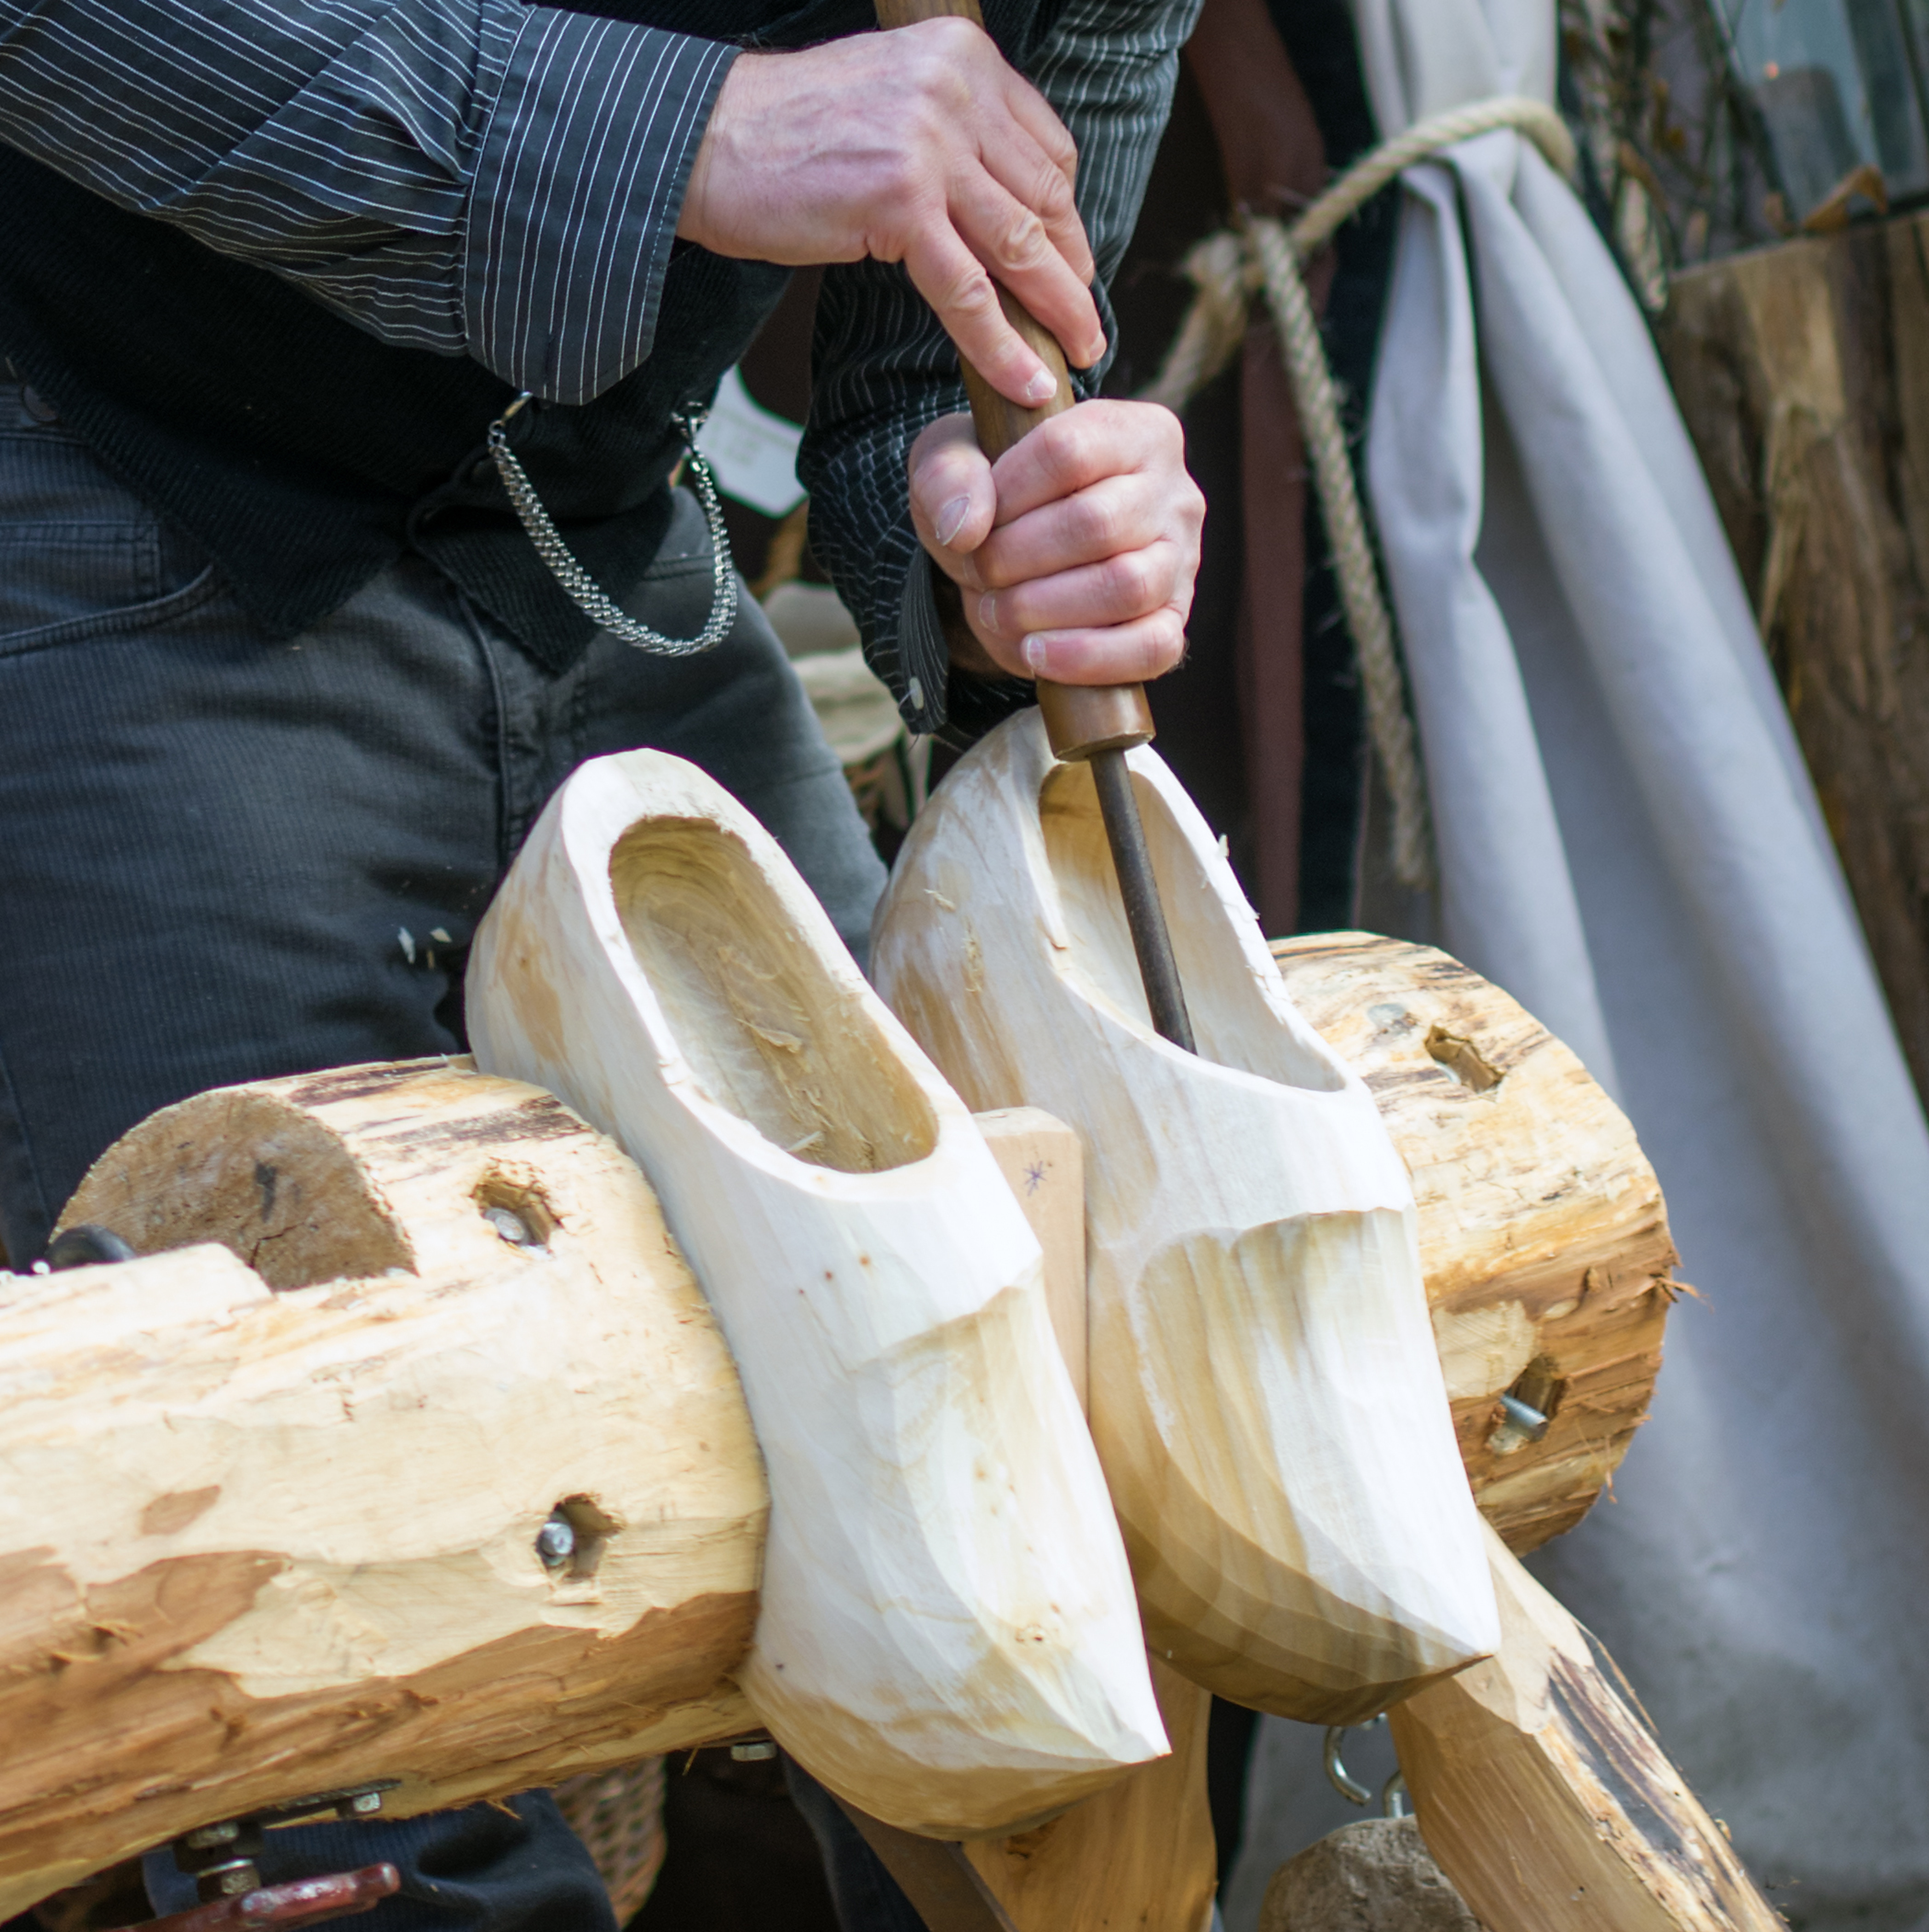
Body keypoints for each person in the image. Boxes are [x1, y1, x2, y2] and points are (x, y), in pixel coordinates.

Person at [0, 0, 1205, 1922]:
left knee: (1013, 1474)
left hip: (595, 533)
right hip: (96, 468)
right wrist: (693, 137)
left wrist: (994, 529)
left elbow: (938, 317)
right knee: (335, 1621)